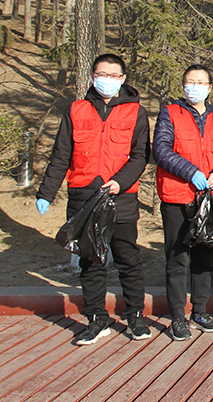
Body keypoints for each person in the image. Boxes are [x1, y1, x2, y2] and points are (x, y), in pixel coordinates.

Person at [36, 53, 150, 345]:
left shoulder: (136, 112)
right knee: (91, 262)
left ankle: (135, 316)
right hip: (83, 196)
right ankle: (97, 319)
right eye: (101, 74)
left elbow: (140, 156)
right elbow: (61, 154)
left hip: (120, 196)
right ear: (92, 76)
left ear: (122, 79)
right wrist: (46, 192)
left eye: (113, 75)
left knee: (127, 259)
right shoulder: (76, 109)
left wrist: (120, 182)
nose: (106, 80)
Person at [153, 64, 213, 341]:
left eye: (200, 82)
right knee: (177, 259)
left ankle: (200, 310)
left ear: (210, 87)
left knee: (203, 257)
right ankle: (177, 315)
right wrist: (190, 172)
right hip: (177, 195)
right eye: (189, 82)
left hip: (209, 197)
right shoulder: (170, 113)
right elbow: (161, 149)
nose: (194, 87)